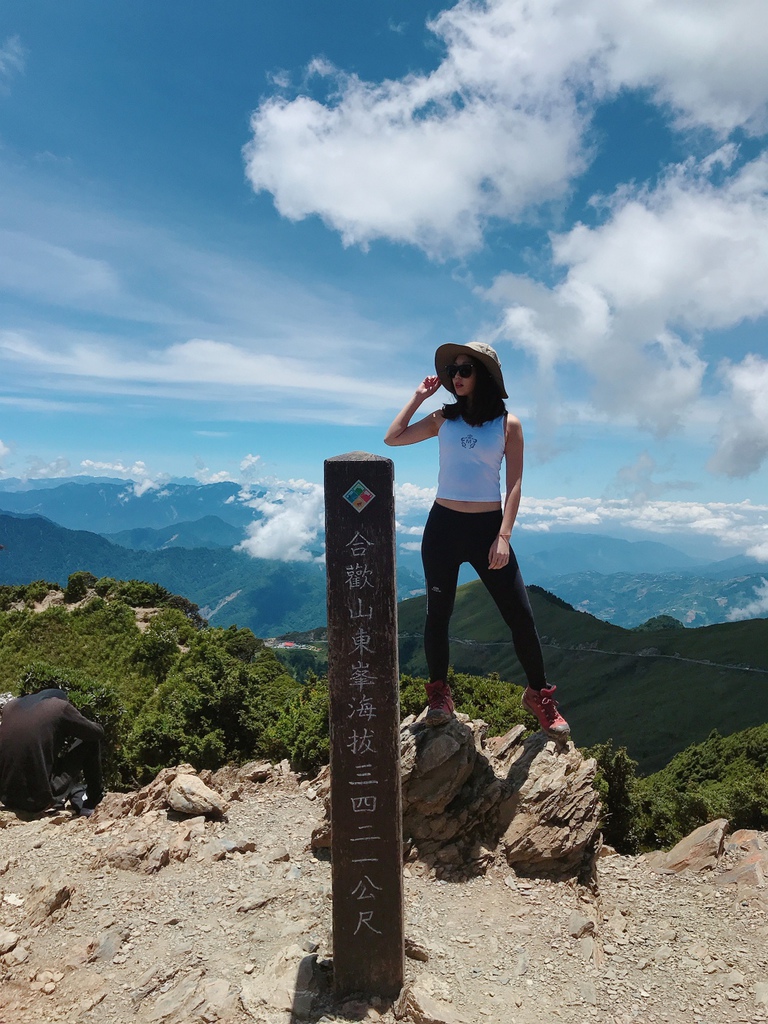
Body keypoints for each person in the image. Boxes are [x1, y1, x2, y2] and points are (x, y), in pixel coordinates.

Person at [384, 341, 570, 738]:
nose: (456, 376)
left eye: (465, 369)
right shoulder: (442, 419)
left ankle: (539, 695)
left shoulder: (508, 424)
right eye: (452, 370)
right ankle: (439, 695)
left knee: (520, 616)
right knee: (438, 615)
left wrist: (503, 535)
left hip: (488, 529)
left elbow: (515, 484)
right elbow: (393, 438)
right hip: (443, 527)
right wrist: (418, 397)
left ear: (483, 375)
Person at [0, 688, 105, 816]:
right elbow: (96, 732)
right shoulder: (60, 706)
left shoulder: (10, 706)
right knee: (91, 740)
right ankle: (92, 802)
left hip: (6, 798)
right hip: (37, 800)